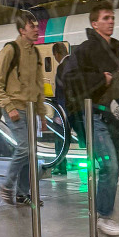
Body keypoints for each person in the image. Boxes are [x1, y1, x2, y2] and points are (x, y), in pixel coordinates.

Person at [65, 2, 119, 237]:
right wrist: (101, 79)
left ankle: (105, 213)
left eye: (112, 17)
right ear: (94, 23)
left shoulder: (117, 50)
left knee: (116, 165)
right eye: (105, 18)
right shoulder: (85, 49)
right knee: (109, 164)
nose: (111, 21)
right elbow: (71, 80)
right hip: (93, 114)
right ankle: (104, 215)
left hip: (114, 115)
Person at [0, 10, 47, 206]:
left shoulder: (35, 52)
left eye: (37, 26)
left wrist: (42, 114)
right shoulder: (10, 50)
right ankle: (7, 185)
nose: (36, 30)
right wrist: (8, 106)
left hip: (30, 109)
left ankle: (22, 194)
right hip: (15, 108)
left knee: (31, 153)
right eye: (32, 27)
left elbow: (39, 85)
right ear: (22, 30)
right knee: (25, 148)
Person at [51, 43, 69, 175]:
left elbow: (62, 91)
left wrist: (60, 113)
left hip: (64, 109)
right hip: (72, 108)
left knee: (59, 138)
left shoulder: (62, 67)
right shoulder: (73, 63)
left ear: (57, 54)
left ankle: (60, 165)